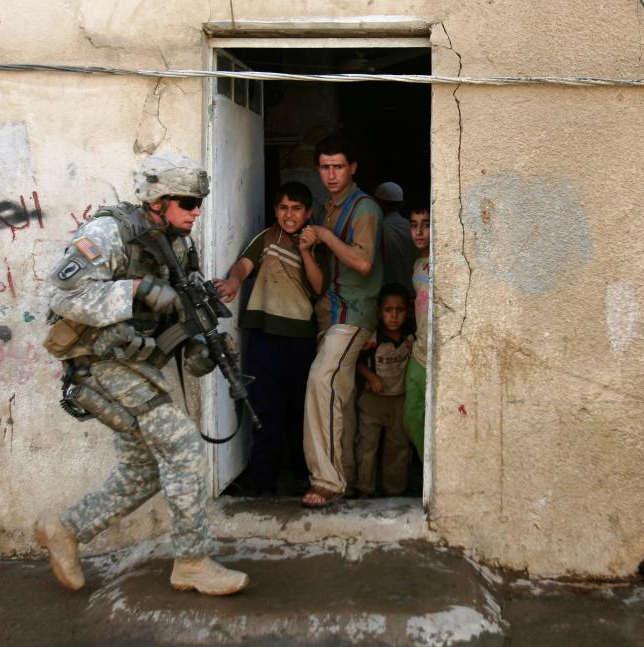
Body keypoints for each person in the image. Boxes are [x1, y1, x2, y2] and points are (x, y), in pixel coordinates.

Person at [35, 152, 249, 596]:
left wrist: (200, 350)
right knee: (181, 445)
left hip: (136, 365)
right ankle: (191, 561)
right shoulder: (109, 233)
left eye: (199, 204)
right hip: (99, 362)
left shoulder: (178, 245)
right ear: (157, 200)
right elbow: (62, 295)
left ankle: (66, 530)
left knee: (146, 468)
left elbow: (177, 319)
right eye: (187, 203)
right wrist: (136, 290)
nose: (196, 212)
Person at [213, 182, 322, 497]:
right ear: (276, 210)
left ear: (308, 213)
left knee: (299, 412)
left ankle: (303, 476)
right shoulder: (266, 238)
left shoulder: (315, 243)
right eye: (284, 207)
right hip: (263, 339)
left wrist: (304, 250)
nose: (289, 215)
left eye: (297, 208)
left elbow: (317, 287)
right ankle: (265, 484)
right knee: (264, 411)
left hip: (300, 339)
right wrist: (234, 281)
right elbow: (244, 265)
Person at [299, 135, 384, 508]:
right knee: (339, 398)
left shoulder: (364, 208)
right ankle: (346, 477)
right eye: (325, 167)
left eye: (338, 167)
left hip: (354, 313)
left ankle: (327, 480)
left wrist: (325, 236)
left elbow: (364, 264)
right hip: (330, 314)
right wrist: (306, 249)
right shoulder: (326, 208)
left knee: (321, 382)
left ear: (352, 168)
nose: (331, 174)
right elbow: (319, 281)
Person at [352, 284, 415, 497]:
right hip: (373, 401)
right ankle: (364, 489)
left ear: (409, 311)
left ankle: (394, 491)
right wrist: (371, 377)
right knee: (367, 446)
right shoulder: (373, 338)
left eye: (400, 310)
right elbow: (358, 363)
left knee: (398, 447)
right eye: (388, 310)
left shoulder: (411, 336)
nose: (394, 316)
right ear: (379, 311)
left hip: (399, 401)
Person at [404, 205, 430, 461]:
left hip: (441, 354)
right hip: (420, 351)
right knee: (412, 418)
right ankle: (428, 469)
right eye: (414, 224)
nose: (419, 231)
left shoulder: (444, 263)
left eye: (426, 224)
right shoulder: (417, 264)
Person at [373, 181, 415, 295]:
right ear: (402, 204)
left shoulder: (376, 230)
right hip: (413, 292)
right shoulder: (414, 229)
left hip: (386, 295)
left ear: (377, 203)